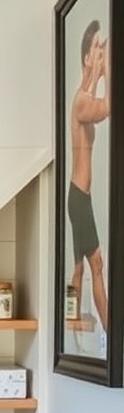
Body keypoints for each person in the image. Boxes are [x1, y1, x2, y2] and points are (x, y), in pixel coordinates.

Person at [67, 19, 110, 332]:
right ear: (86, 56)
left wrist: (102, 70)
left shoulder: (84, 95)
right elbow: (107, 106)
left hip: (81, 196)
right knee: (95, 265)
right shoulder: (81, 100)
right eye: (97, 47)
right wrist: (109, 71)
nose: (100, 51)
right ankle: (110, 332)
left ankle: (74, 322)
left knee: (82, 267)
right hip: (79, 197)